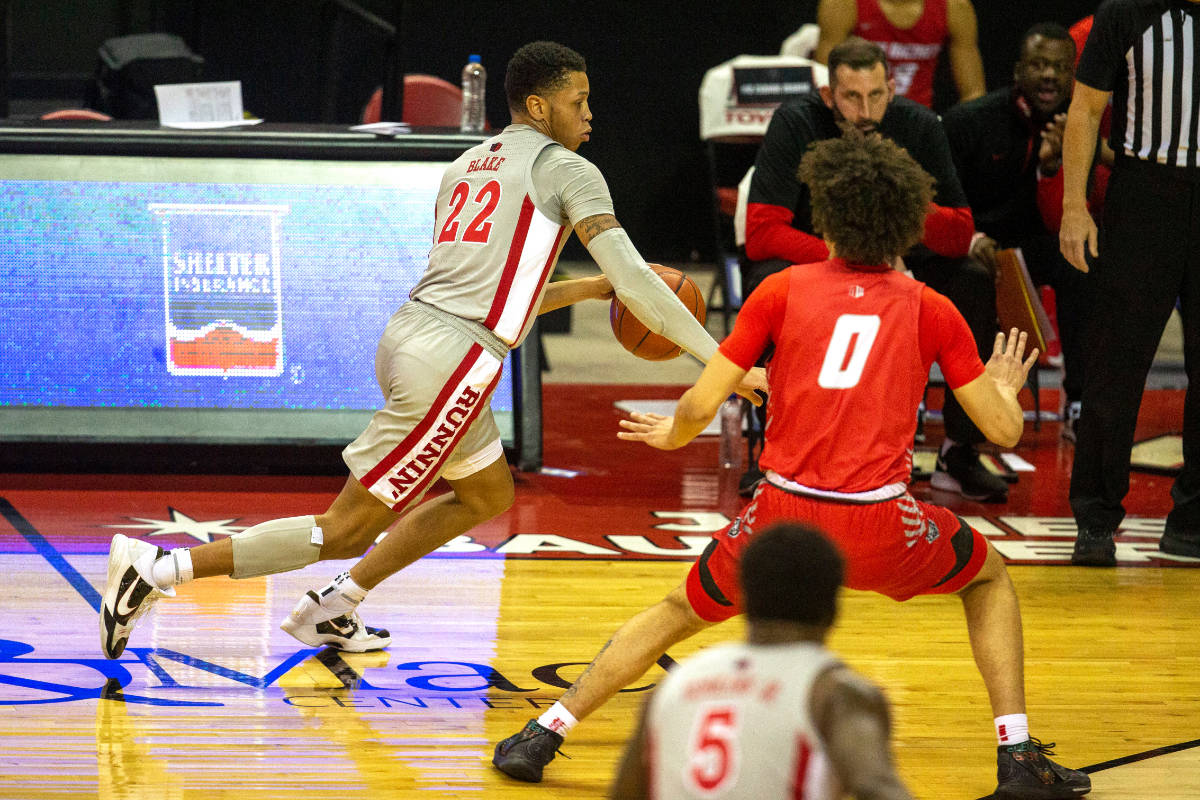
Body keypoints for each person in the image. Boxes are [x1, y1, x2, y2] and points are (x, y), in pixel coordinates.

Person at [98, 40, 765, 660]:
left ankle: (336, 605)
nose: (590, 114)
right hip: (453, 361)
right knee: (344, 528)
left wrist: (589, 288)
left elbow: (493, 292)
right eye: (579, 101)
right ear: (540, 107)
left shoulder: (467, 164)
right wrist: (724, 366)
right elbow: (640, 282)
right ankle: (159, 568)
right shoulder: (570, 169)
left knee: (484, 494)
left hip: (414, 336)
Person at [494, 132, 1091, 800]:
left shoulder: (781, 290)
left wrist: (673, 434)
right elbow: (1003, 431)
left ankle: (543, 732)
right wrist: (1005, 389)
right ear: (907, 224)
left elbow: (700, 402)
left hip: (779, 517)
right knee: (987, 578)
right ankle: (1017, 754)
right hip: (881, 524)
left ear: (826, 220)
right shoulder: (932, 307)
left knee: (675, 611)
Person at [744, 36, 1008, 502]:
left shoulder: (919, 125)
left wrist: (904, 201)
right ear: (829, 95)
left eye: (876, 95)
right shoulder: (796, 122)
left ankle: (959, 452)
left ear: (892, 89)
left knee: (972, 280)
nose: (865, 111)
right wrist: (845, 257)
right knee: (766, 278)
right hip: (820, 260)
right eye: (851, 97)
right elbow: (762, 233)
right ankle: (772, 450)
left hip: (901, 257)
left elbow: (960, 231)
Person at [608, 523, 914, 800]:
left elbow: (624, 793)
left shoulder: (673, 686)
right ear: (833, 606)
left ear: (745, 596)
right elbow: (877, 786)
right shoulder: (836, 693)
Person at [1060, 0, 1200, 566]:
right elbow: (1085, 109)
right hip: (1144, 194)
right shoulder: (1125, 12)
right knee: (1116, 363)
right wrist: (1074, 206)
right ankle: (1095, 519)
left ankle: (1192, 521)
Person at [942, 22, 1093, 443]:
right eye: (1039, 65)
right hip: (964, 244)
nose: (1049, 76)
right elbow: (936, 200)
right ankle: (951, 422)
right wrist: (969, 239)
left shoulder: (1080, 127)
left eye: (1060, 68)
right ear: (1017, 70)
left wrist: (1052, 169)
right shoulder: (969, 121)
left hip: (1025, 246)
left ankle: (1079, 400)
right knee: (966, 275)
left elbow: (1061, 222)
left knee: (1079, 259)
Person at [813, 0, 986, 109]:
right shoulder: (843, 4)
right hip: (858, 117)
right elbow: (823, 82)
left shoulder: (955, 8)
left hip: (918, 121)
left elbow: (974, 94)